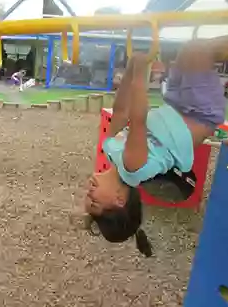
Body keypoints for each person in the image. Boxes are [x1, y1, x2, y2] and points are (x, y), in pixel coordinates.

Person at [84, 37, 228, 256]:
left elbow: (121, 110)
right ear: (119, 199)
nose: (89, 192)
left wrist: (131, 68)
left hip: (177, 104)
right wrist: (141, 74)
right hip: (200, 112)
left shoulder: (112, 149)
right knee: (199, 51)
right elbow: (138, 117)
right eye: (95, 200)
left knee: (189, 49)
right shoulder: (133, 168)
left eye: (87, 197)